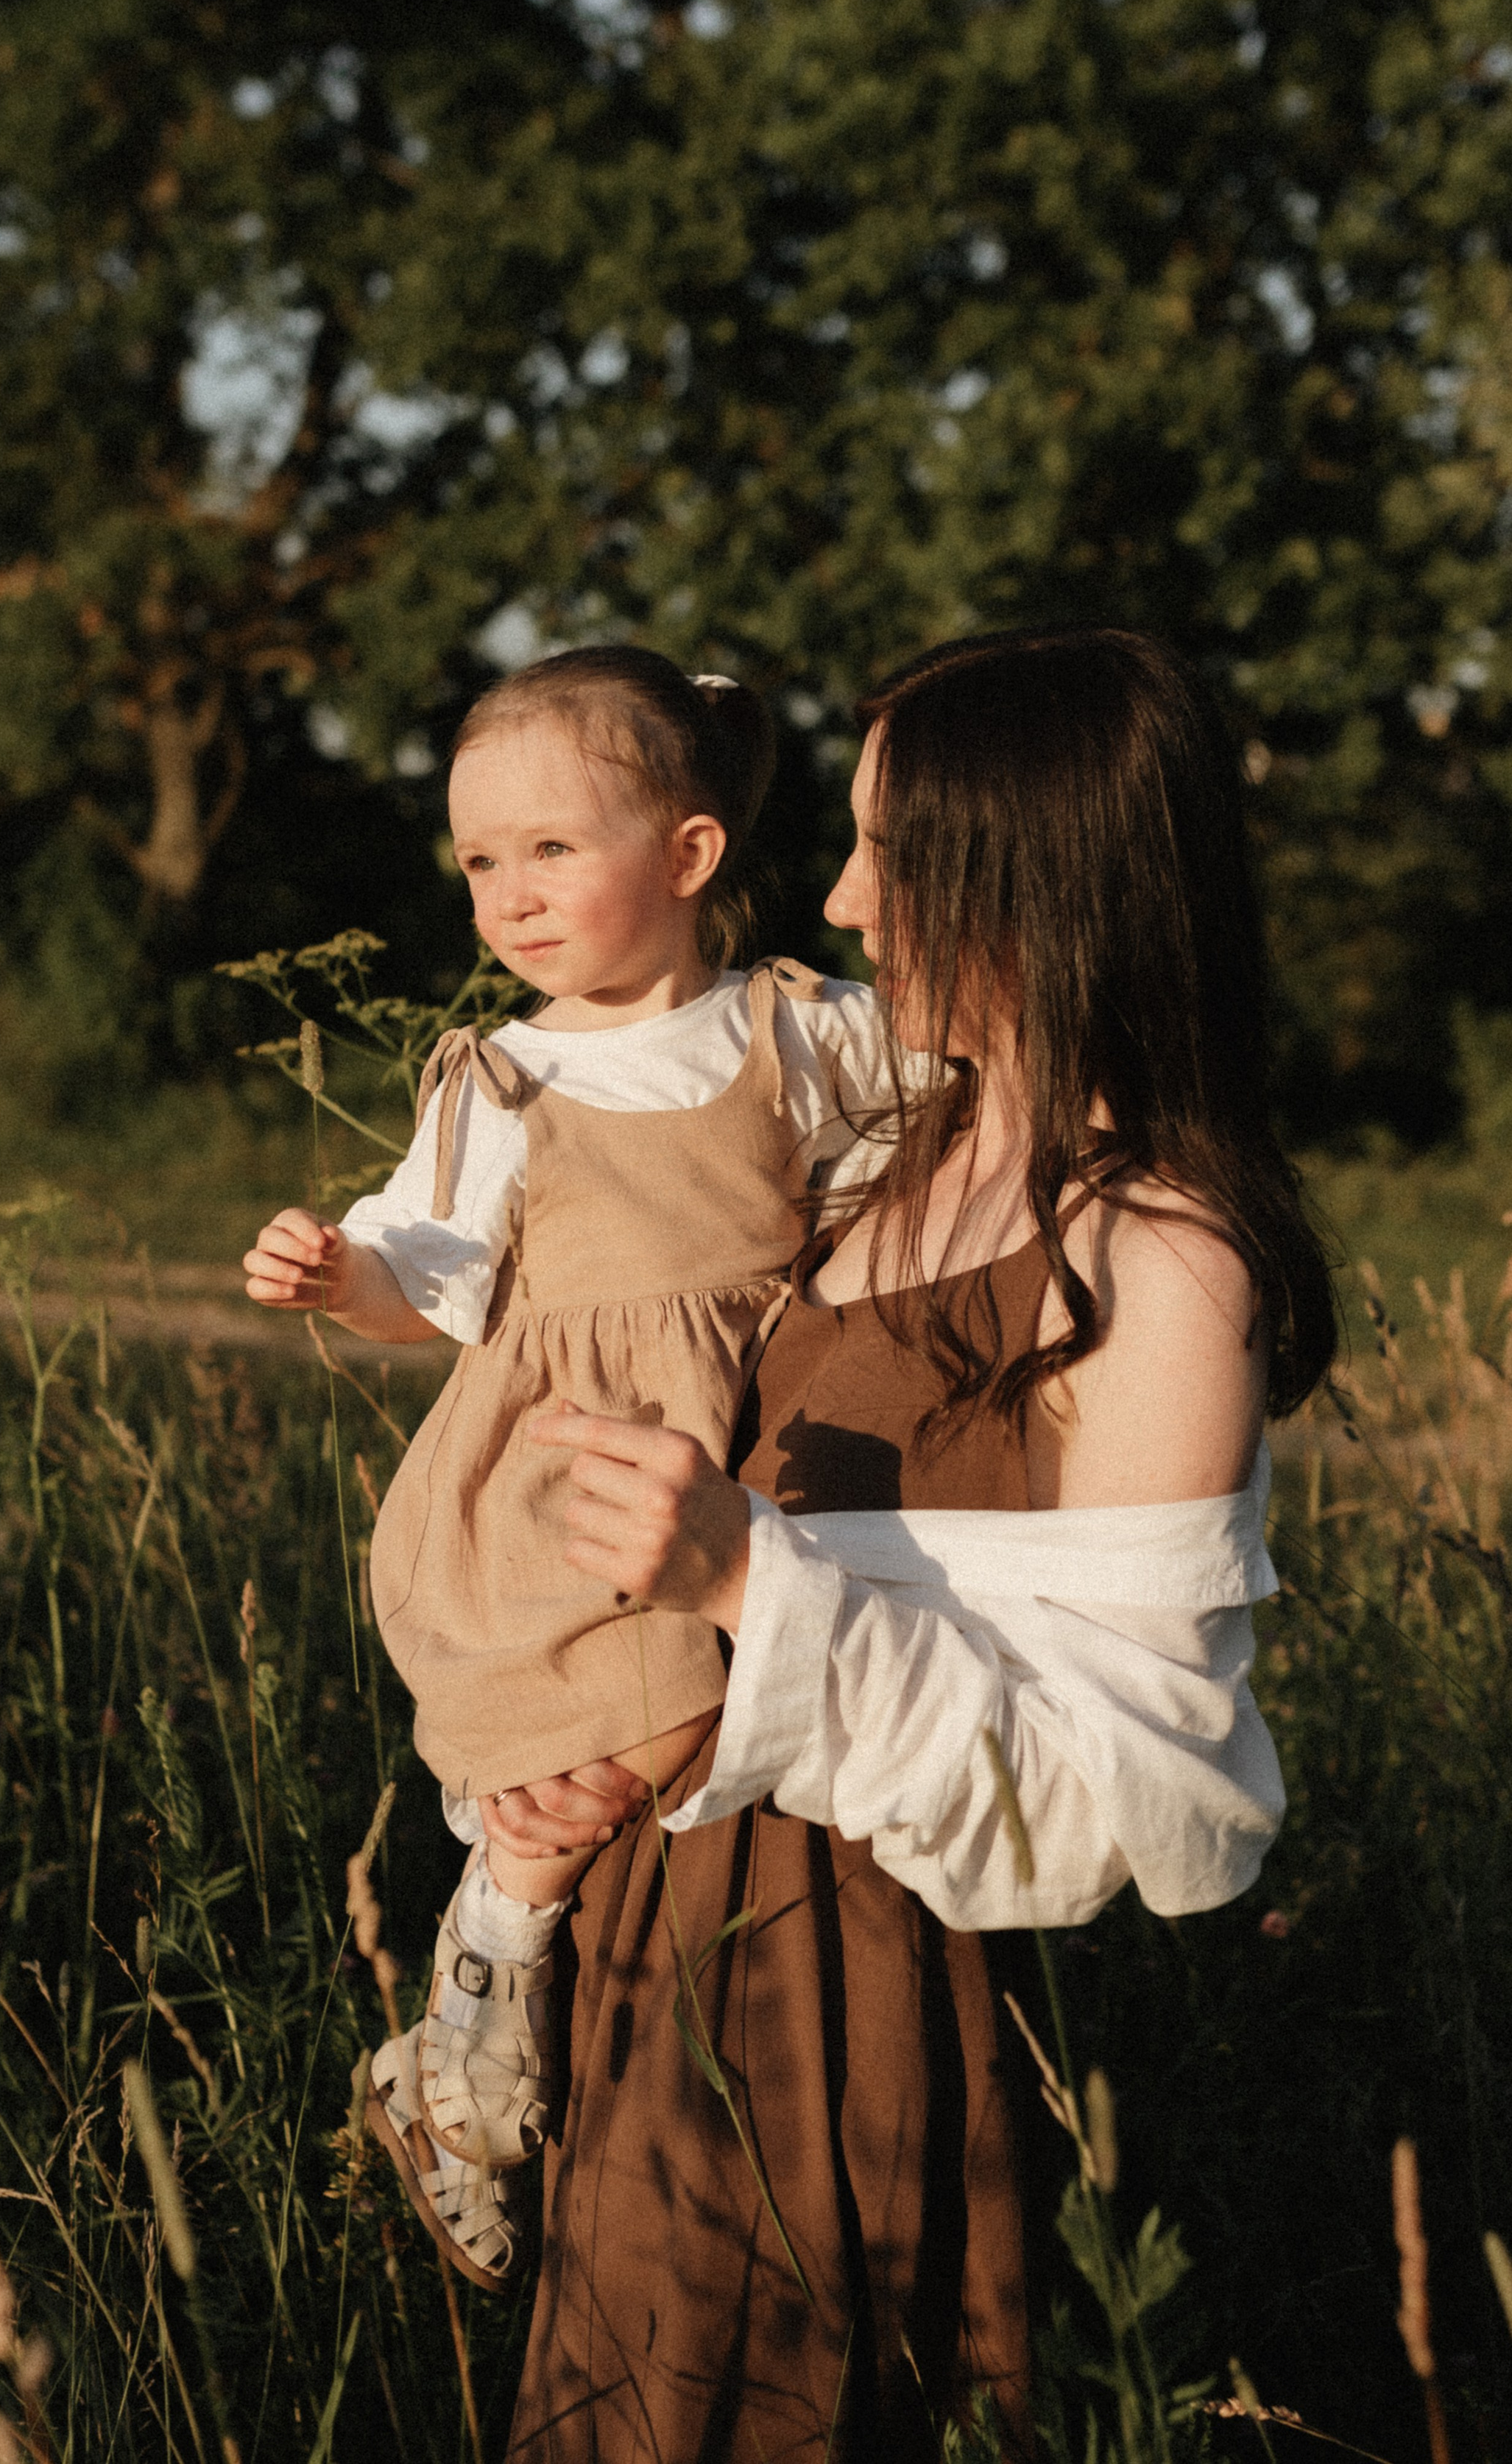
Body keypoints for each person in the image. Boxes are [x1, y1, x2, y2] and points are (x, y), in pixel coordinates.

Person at [491, 625, 1339, 2460]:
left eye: (895, 848)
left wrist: (741, 1577)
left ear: (1034, 874)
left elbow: (1144, 1788)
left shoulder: (1155, 1256)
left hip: (885, 1998)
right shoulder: (884, 1149)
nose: (849, 895)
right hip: (676, 1933)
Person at [241, 648, 897, 2284]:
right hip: (568, 1476)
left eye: (551, 850)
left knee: (682, 1716)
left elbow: (946, 1123)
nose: (509, 897)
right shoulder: (504, 1078)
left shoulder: (793, 1030)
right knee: (631, 1732)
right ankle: (471, 2022)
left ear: (686, 857)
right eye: (478, 862)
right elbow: (429, 1267)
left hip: (747, 1455)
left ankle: (463, 2036)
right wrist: (345, 1278)